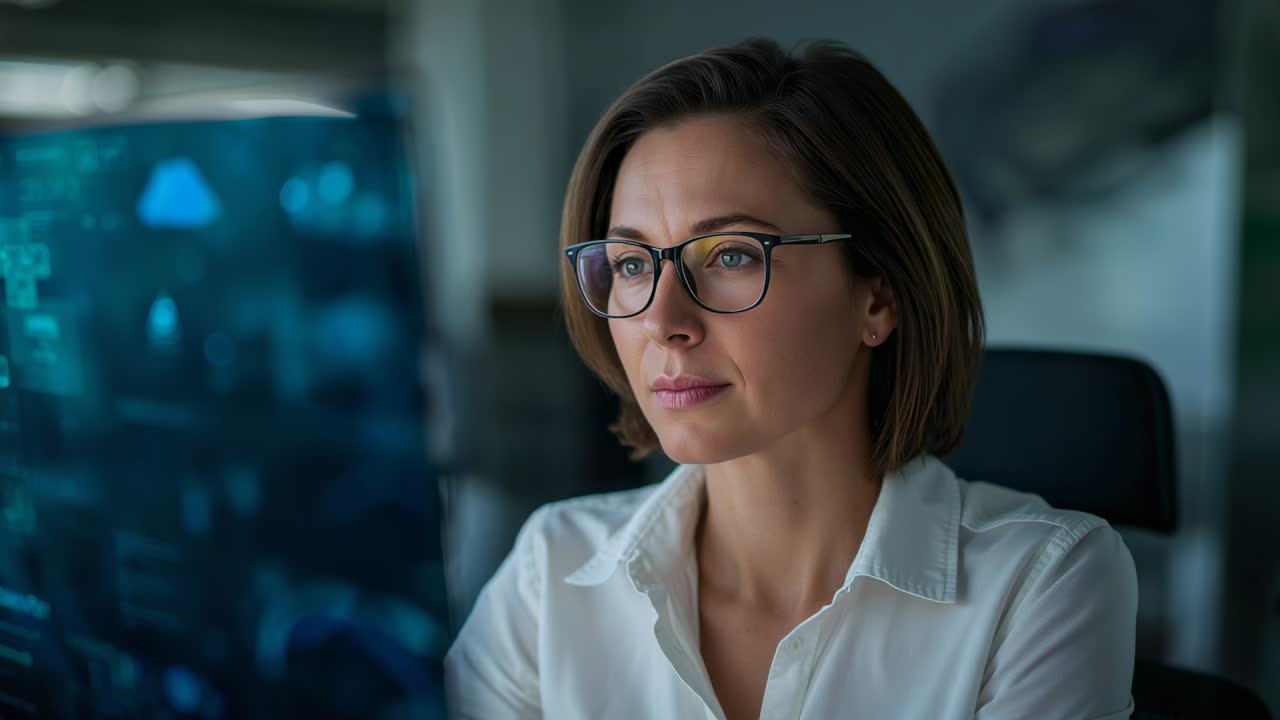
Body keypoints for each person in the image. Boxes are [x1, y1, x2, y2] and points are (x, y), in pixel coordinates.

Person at [445, 38, 1137, 720]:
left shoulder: (1043, 583)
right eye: (631, 265)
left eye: (732, 255)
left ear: (879, 295)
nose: (663, 319)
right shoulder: (552, 576)